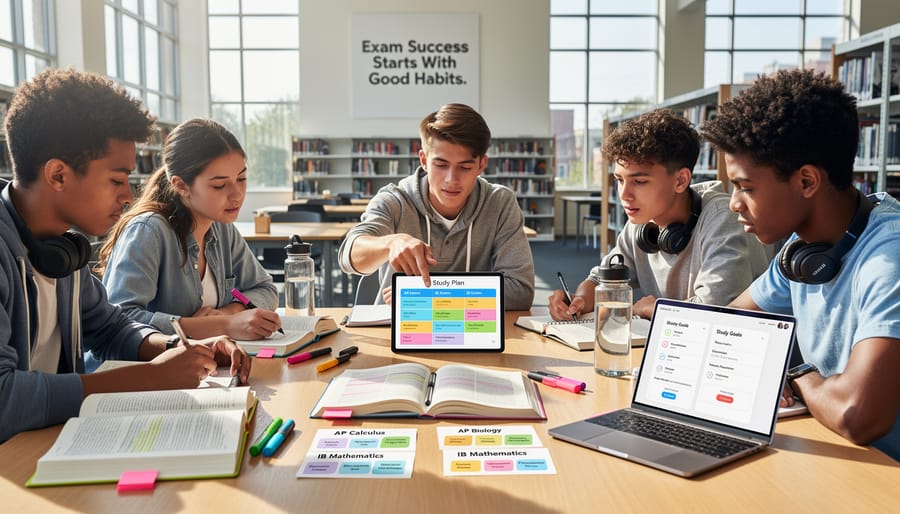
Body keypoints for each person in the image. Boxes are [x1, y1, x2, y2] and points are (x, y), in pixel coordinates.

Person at [0, 69, 250, 444]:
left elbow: (110, 328)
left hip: (49, 444)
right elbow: (4, 399)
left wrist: (178, 348)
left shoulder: (63, 250)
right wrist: (150, 378)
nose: (128, 196)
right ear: (58, 175)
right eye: (117, 180)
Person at [701, 69, 900, 459]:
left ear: (807, 181)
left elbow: (858, 416)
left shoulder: (887, 260)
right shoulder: (803, 250)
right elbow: (730, 324)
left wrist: (797, 372)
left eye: (746, 187)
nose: (734, 204)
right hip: (836, 458)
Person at [549, 108, 769, 321]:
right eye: (620, 180)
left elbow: (716, 312)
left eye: (640, 181)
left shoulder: (722, 218)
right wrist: (578, 300)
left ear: (681, 180)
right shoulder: (642, 222)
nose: (624, 194)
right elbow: (600, 279)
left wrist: (655, 310)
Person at [96, 118, 280, 341]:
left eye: (241, 178)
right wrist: (223, 325)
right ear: (181, 185)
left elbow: (264, 289)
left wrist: (225, 315)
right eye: (219, 185)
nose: (237, 194)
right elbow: (121, 320)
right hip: (143, 370)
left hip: (204, 367)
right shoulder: (148, 231)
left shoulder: (222, 228)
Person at [337, 103, 535, 310]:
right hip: (400, 332)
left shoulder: (500, 203)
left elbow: (520, 291)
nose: (452, 179)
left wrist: (426, 297)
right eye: (440, 165)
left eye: (465, 167)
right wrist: (390, 243)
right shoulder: (394, 200)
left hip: (474, 330)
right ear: (423, 159)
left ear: (481, 164)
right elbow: (348, 257)